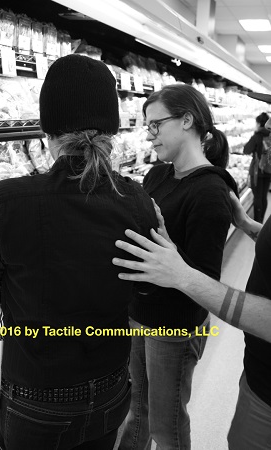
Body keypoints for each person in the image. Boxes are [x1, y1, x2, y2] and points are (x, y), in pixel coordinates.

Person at [0, 55, 158, 450]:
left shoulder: (5, 200)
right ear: (112, 129)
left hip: (38, 395)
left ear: (46, 130)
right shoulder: (136, 199)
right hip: (110, 386)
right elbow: (146, 289)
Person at [113, 92, 271, 450]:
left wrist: (171, 253)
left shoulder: (210, 190)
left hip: (174, 325)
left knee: (165, 427)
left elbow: (204, 280)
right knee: (135, 409)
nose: (149, 134)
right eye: (146, 125)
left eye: (156, 124)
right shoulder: (155, 175)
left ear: (186, 121)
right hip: (139, 313)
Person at [244, 111, 270, 222]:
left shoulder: (257, 136)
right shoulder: (270, 135)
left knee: (258, 197)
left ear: (259, 123)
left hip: (257, 171)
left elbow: (246, 150)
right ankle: (261, 221)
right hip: (269, 170)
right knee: (264, 196)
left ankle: (256, 222)